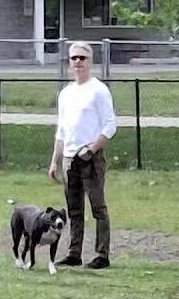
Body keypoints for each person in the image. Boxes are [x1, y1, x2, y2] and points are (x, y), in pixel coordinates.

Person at [48, 41, 117, 270]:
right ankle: (73, 252)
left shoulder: (98, 90)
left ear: (90, 61)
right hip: (69, 158)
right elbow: (62, 129)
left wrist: (93, 148)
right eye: (74, 58)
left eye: (82, 58)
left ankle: (101, 254)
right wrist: (55, 160)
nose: (78, 62)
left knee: (98, 207)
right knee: (74, 208)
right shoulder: (66, 93)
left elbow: (110, 124)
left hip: (90, 157)